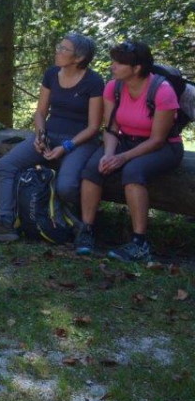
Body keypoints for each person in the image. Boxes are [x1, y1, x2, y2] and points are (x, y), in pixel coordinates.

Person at [0, 33, 103, 242]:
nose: (57, 51)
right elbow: (41, 112)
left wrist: (67, 147)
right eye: (59, 46)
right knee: (6, 164)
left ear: (78, 58)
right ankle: (5, 221)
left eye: (64, 49)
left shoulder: (94, 81)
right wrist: (40, 136)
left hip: (80, 141)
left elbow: (94, 127)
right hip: (50, 135)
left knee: (66, 186)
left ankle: (73, 223)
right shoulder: (52, 74)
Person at [75, 41, 185, 263]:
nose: (112, 66)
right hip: (124, 141)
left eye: (119, 63)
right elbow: (112, 129)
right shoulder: (113, 87)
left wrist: (122, 158)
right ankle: (87, 230)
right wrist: (108, 154)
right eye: (113, 61)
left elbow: (157, 140)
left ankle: (139, 242)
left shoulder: (162, 91)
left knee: (133, 172)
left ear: (136, 68)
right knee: (92, 168)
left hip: (164, 147)